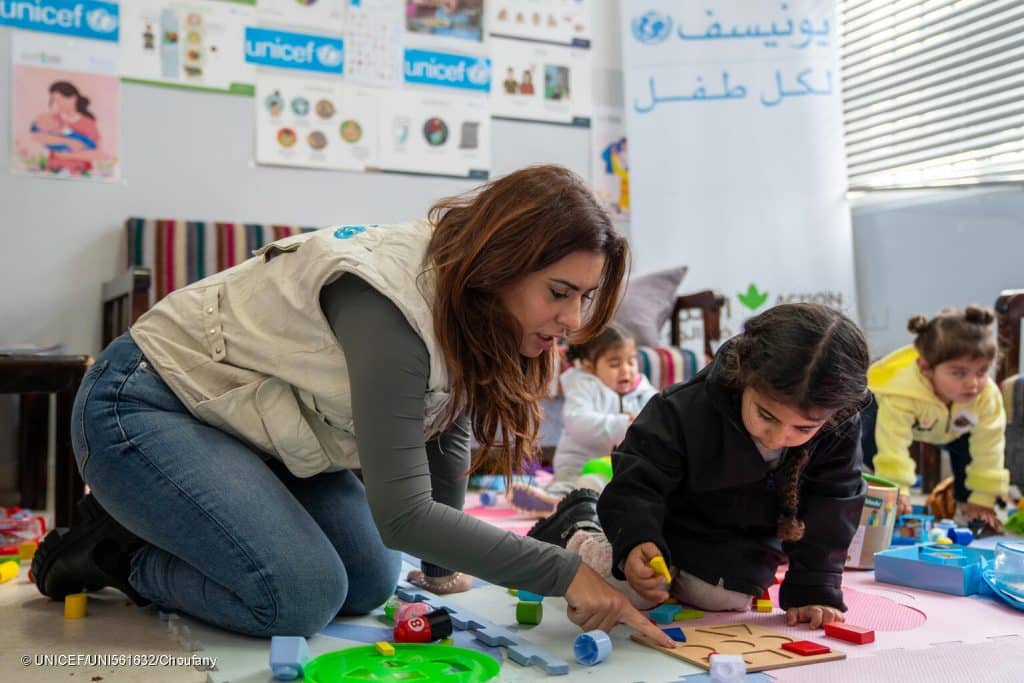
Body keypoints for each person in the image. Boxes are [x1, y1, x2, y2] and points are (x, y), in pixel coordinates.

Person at [31, 165, 675, 648]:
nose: (572, 321)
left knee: (369, 582)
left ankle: (178, 519)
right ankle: (114, 549)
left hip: (253, 432)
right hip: (143, 404)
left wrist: (442, 567)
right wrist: (565, 574)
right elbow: (404, 514)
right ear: (501, 263)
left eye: (585, 297)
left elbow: (444, 424)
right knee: (300, 598)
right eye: (559, 293)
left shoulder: (470, 298)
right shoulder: (392, 310)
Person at [529, 303, 870, 628]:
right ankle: (578, 527)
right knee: (627, 590)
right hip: (667, 524)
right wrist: (635, 541)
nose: (778, 437)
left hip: (740, 539)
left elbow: (834, 505)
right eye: (766, 415)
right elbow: (637, 483)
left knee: (722, 598)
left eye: (804, 429)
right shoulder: (683, 408)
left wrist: (815, 588)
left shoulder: (839, 423)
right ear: (742, 377)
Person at [862, 306, 1009, 530]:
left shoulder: (986, 396)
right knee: (869, 436)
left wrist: (983, 499)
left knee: (971, 446)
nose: (973, 383)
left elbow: (990, 448)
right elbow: (893, 443)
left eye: (982, 372)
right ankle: (877, 492)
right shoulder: (903, 391)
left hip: (951, 428)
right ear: (925, 368)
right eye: (958, 373)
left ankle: (966, 506)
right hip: (886, 422)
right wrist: (897, 488)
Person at [509, 326, 657, 516]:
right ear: (588, 364)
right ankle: (554, 501)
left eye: (631, 362)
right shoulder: (582, 385)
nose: (626, 370)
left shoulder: (643, 391)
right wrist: (623, 425)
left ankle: (575, 504)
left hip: (618, 470)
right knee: (573, 484)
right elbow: (577, 422)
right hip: (578, 464)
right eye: (614, 364)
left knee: (625, 488)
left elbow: (658, 418)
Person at [30, 81, 102, 174]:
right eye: (55, 100)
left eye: (60, 100)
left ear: (73, 98)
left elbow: (98, 154)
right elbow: (37, 136)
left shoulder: (88, 123)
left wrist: (68, 155)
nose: (58, 104)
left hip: (80, 172)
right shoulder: (53, 119)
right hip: (54, 170)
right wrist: (68, 142)